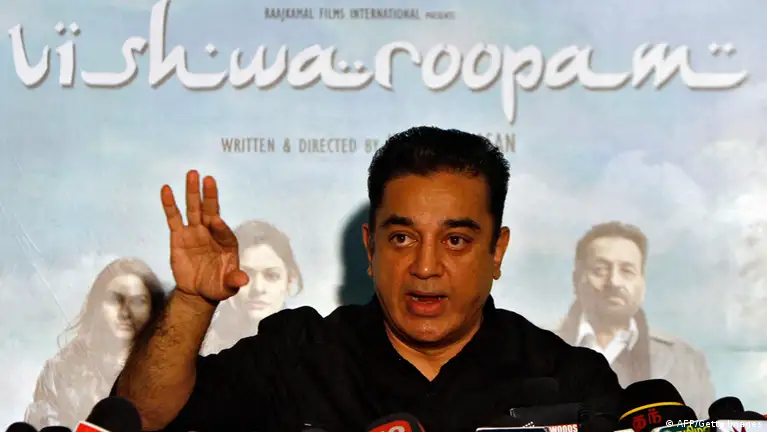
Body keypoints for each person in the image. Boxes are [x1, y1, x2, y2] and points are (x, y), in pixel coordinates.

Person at [115, 127, 622, 432]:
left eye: (455, 241)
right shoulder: (297, 356)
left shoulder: (568, 381)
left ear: (497, 251)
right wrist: (191, 301)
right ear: (370, 249)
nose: (425, 267)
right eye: (402, 238)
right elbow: (141, 418)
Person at [554, 221, 715, 418]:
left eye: (627, 271)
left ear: (642, 282)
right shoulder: (534, 348)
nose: (614, 282)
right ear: (576, 279)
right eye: (599, 270)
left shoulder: (686, 361)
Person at [25, 258, 166, 430]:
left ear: (153, 308)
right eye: (115, 299)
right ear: (97, 304)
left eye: (138, 301)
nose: (125, 312)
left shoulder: (174, 371)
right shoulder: (60, 370)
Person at [200, 220, 303, 355]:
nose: (258, 288)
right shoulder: (197, 346)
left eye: (272, 276)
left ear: (289, 282)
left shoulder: (308, 346)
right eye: (244, 275)